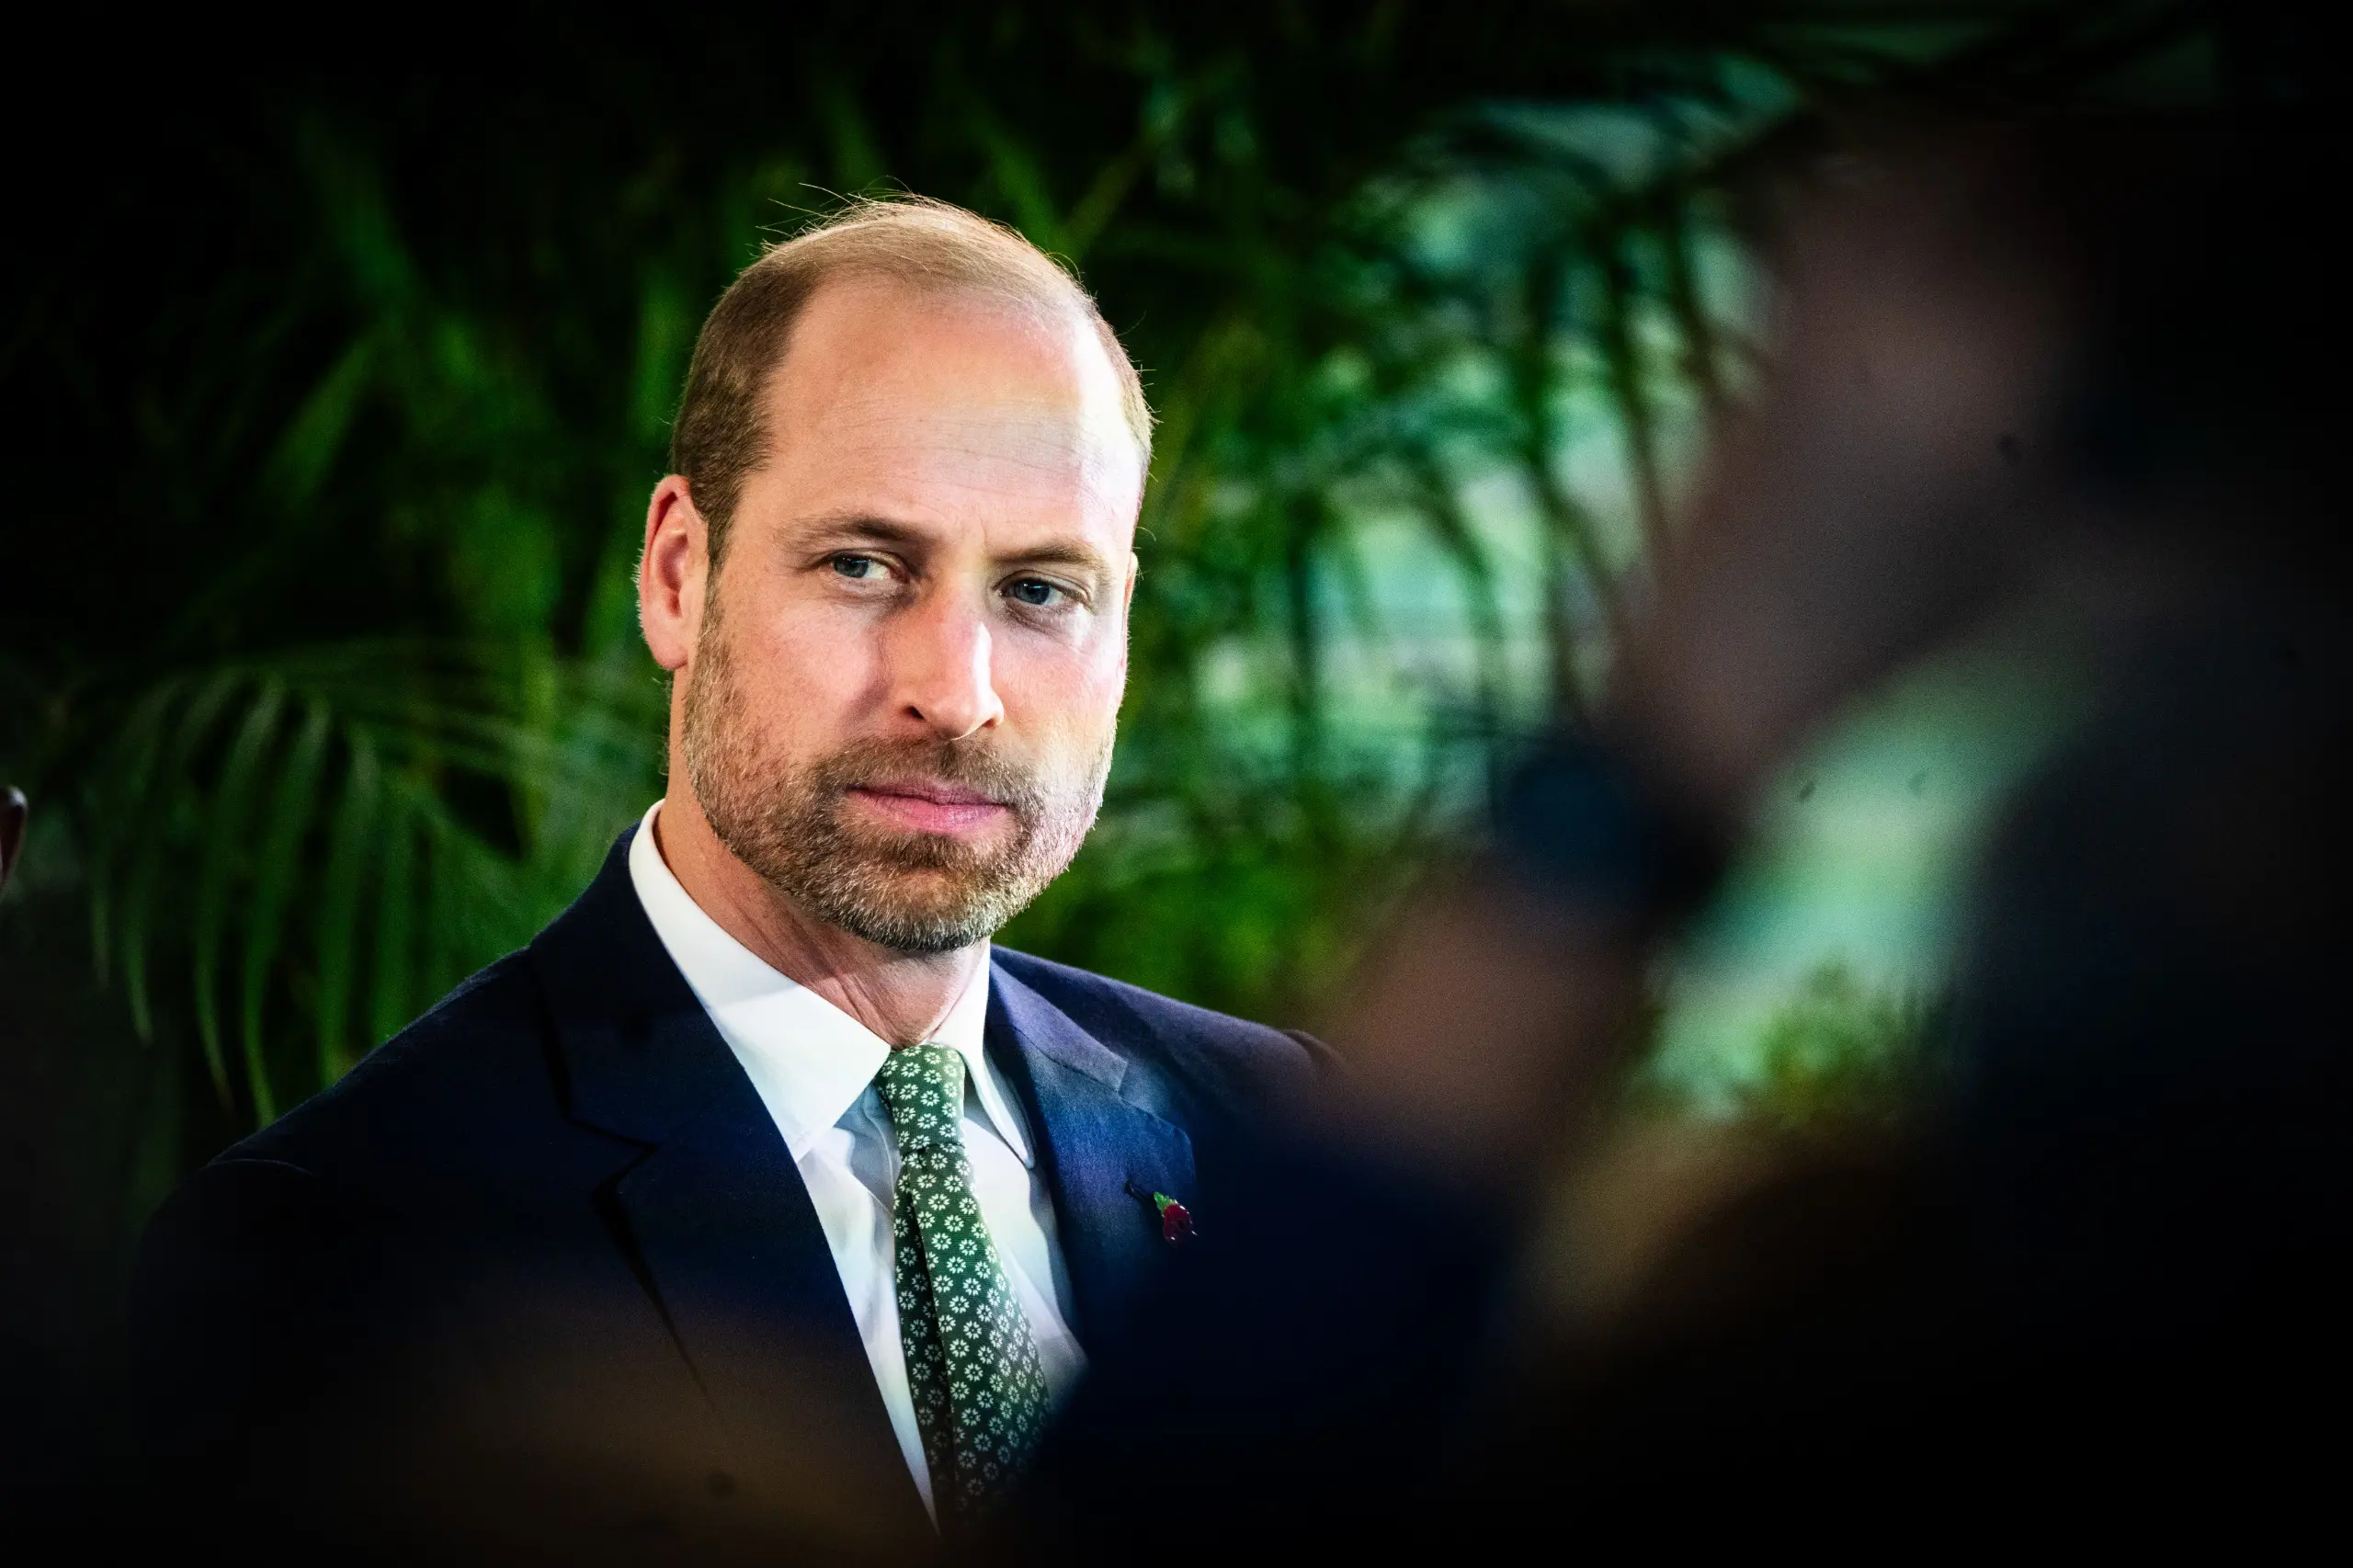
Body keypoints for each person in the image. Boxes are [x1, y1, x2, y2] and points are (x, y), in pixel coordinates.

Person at [132, 199, 1324, 1563]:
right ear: (678, 576)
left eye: (1041, 590)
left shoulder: (1277, 1138)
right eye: (866, 565)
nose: (957, 691)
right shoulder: (339, 1249)